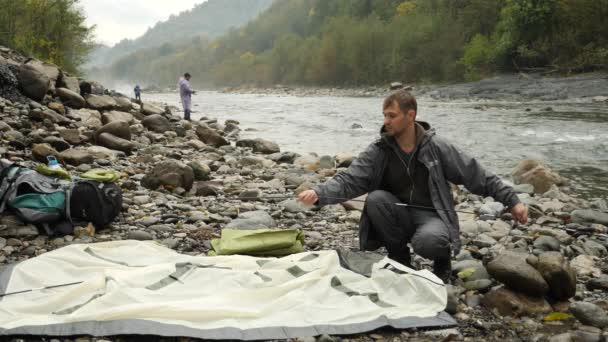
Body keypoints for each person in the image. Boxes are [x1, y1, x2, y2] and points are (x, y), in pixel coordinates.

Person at [298, 90, 528, 283]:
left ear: (411, 115)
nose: (386, 121)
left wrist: (512, 200)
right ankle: (400, 258)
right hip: (398, 212)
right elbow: (351, 179)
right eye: (384, 115)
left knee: (429, 242)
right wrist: (319, 193)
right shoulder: (380, 149)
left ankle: (442, 262)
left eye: (392, 115)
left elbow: (475, 173)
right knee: (376, 198)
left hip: (433, 216)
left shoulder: (437, 146)